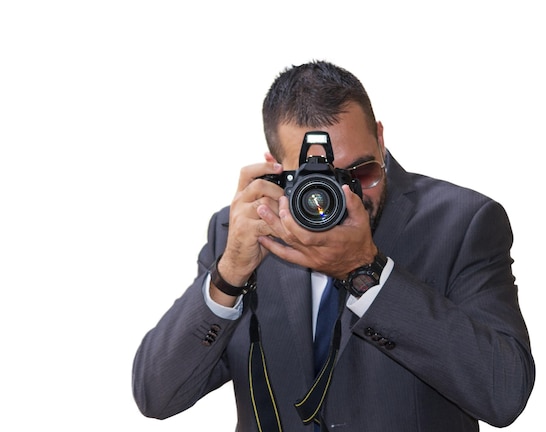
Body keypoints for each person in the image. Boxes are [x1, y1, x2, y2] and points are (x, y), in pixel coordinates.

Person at [132, 60, 535, 431]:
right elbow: (157, 395)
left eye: (362, 170)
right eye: (318, 178)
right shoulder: (241, 232)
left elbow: (505, 394)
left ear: (380, 137)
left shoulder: (462, 224)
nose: (346, 195)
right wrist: (230, 273)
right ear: (276, 168)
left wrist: (367, 271)